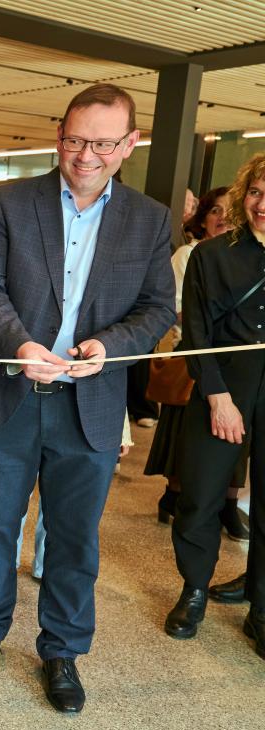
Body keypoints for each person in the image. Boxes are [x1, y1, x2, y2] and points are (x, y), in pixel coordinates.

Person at [0, 84, 175, 713]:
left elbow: (158, 307)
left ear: (129, 144)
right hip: (10, 392)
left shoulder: (150, 219)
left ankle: (62, 650)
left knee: (75, 537)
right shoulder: (8, 202)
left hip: (91, 401)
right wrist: (22, 346)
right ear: (60, 135)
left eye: (104, 142)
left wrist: (112, 344)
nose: (87, 154)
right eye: (76, 139)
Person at [163, 153, 265, 660]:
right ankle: (194, 590)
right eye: (256, 192)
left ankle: (261, 608)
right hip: (221, 387)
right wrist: (218, 396)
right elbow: (197, 331)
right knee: (199, 497)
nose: (263, 204)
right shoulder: (212, 254)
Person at [145, 186, 248, 542]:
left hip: (237, 364)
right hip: (192, 357)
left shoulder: (243, 255)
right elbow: (171, 309)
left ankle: (228, 506)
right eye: (215, 211)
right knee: (187, 441)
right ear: (203, 218)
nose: (223, 217)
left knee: (235, 441)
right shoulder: (190, 255)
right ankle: (174, 496)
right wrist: (211, 320)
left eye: (228, 211)